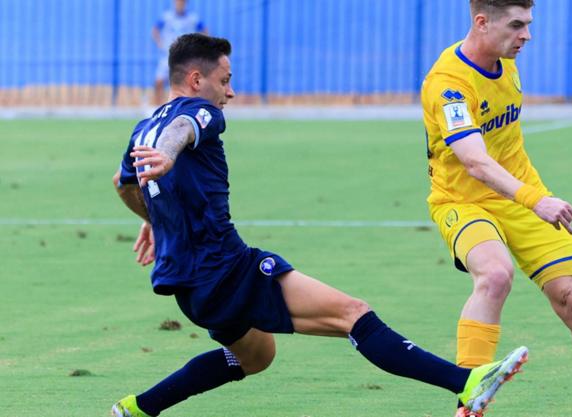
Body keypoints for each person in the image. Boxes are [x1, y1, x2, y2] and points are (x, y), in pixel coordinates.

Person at [110, 33, 527, 417]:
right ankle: (465, 382)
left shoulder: (143, 129)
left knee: (256, 356)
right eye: (225, 80)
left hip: (190, 287)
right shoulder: (199, 111)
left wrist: (155, 219)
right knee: (353, 314)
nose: (230, 92)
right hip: (226, 270)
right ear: (196, 80)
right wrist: (168, 157)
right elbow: (183, 130)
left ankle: (138, 408)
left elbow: (123, 183)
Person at [419, 1, 572, 416]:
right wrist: (538, 201)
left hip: (520, 193)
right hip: (463, 201)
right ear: (482, 22)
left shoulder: (505, 60)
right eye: (517, 25)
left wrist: (531, 197)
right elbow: (475, 162)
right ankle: (468, 403)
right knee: (495, 274)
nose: (527, 36)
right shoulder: (449, 85)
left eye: (528, 24)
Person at [151, 0, 207, 106]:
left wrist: (200, 46)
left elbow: (205, 31)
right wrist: (160, 43)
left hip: (186, 58)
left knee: (190, 83)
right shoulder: (167, 17)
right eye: (177, 2)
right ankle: (158, 107)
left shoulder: (192, 18)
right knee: (159, 81)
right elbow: (155, 30)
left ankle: (189, 107)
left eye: (182, 2)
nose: (179, 4)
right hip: (169, 56)